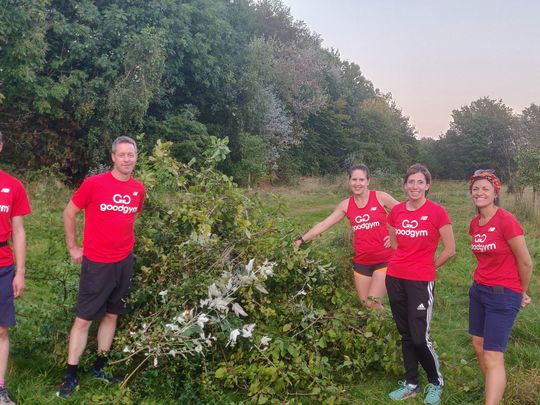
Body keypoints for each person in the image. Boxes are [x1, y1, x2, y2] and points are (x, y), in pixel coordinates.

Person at [57, 136, 145, 398]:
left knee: (112, 315)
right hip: (97, 262)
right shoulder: (94, 184)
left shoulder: (138, 189)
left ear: (136, 157)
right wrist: (73, 247)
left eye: (131, 154)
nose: (127, 159)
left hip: (124, 261)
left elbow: (129, 219)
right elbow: (69, 212)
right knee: (83, 319)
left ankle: (100, 367)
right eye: (122, 154)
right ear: (113, 157)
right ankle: (70, 375)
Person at [385, 164, 455, 404]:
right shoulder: (396, 212)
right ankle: (411, 383)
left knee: (419, 338)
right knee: (405, 334)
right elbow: (394, 243)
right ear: (404, 185)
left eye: (419, 182)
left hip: (420, 281)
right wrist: (404, 261)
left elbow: (450, 250)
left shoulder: (437, 212)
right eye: (410, 182)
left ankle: (435, 383)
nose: (415, 186)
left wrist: (428, 267)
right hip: (395, 277)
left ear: (427, 186)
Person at [468, 169, 532, 405]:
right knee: (478, 345)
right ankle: (493, 391)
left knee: (493, 355)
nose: (479, 192)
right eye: (475, 189)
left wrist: (520, 291)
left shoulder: (506, 220)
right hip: (478, 291)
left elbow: (525, 262)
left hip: (503, 294)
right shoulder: (476, 223)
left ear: (495, 192)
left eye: (485, 188)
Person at [295, 164, 398, 309]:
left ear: (368, 181)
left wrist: (397, 235)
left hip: (385, 260)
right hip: (362, 262)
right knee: (365, 304)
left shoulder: (380, 197)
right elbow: (324, 224)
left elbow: (406, 213)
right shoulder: (346, 205)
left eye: (361, 180)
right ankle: (385, 328)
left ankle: (398, 328)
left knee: (372, 303)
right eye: (354, 179)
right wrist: (301, 239)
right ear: (349, 181)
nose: (358, 183)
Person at [0, 131, 31, 405]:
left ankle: (0, 389)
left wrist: (20, 272)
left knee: (0, 330)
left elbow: (19, 232)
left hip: (3, 265)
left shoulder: (13, 185)